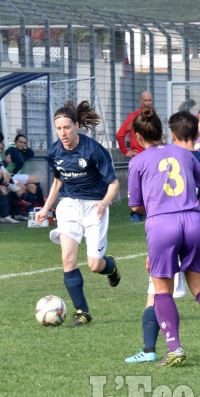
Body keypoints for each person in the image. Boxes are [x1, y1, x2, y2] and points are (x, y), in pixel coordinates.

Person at [124, 111, 200, 364]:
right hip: (194, 222)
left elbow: (136, 206)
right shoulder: (184, 153)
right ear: (161, 131)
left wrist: (160, 207)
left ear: (137, 136)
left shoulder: (137, 162)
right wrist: (193, 206)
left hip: (162, 224)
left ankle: (175, 349)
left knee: (162, 291)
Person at [34, 100, 121, 327]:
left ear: (76, 126)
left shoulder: (93, 150)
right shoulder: (54, 151)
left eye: (67, 127)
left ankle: (110, 267)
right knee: (67, 259)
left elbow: (113, 184)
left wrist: (104, 203)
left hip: (94, 206)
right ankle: (82, 311)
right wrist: (46, 208)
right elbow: (57, 181)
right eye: (59, 128)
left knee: (95, 265)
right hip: (69, 205)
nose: (63, 133)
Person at [116, 91, 153, 222]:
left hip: (152, 156)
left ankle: (147, 212)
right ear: (140, 102)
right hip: (139, 157)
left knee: (150, 185)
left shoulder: (154, 117)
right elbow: (120, 135)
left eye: (150, 100)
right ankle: (137, 213)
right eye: (145, 101)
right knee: (138, 186)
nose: (148, 103)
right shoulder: (134, 117)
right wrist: (125, 151)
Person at [3, 133, 46, 207]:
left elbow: (31, 154)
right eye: (20, 142)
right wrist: (14, 171)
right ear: (15, 142)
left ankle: (28, 210)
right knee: (36, 179)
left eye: (24, 143)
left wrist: (26, 148)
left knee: (33, 187)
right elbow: (20, 161)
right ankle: (43, 203)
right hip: (10, 175)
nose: (22, 144)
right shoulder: (12, 149)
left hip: (15, 176)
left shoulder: (19, 151)